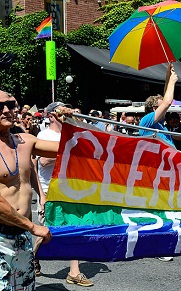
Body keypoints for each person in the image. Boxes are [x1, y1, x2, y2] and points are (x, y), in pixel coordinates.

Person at [0, 90, 72, 290]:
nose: (7, 110)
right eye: (0, 107)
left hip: (22, 236)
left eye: (11, 105)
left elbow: (70, 148)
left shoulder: (25, 141)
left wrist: (68, 123)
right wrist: (32, 227)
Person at [33, 101, 94, 287]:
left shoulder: (72, 134)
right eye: (61, 111)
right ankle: (31, 258)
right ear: (51, 115)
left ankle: (74, 272)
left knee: (73, 227)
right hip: (49, 189)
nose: (65, 114)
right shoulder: (44, 135)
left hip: (69, 190)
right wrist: (66, 153)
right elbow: (42, 162)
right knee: (47, 231)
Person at [139, 63, 178, 147]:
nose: (165, 110)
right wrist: (172, 82)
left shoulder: (160, 123)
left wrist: (169, 73)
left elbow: (166, 97)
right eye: (162, 107)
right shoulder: (146, 120)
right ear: (154, 108)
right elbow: (167, 102)